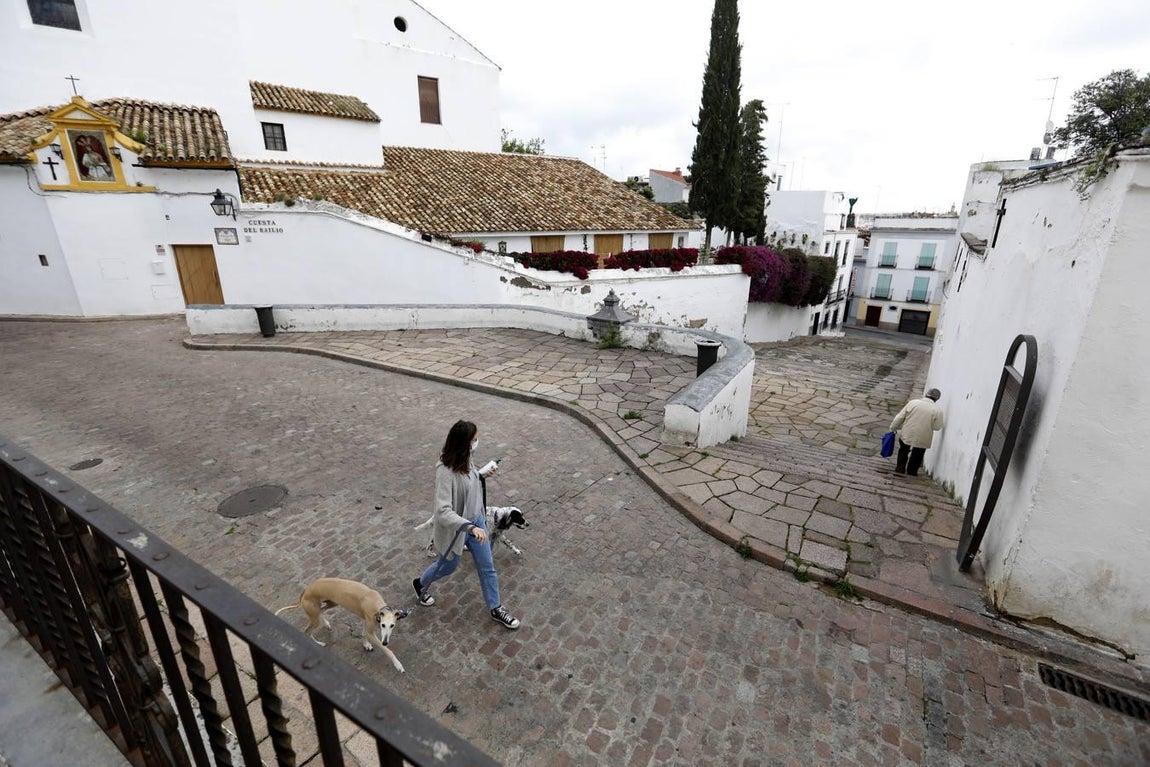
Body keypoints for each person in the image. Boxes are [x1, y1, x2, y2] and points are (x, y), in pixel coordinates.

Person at [412, 420, 520, 629]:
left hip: (476, 520)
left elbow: (469, 480)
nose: (477, 442)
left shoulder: (467, 458)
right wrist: (470, 527)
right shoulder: (445, 472)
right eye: (474, 440)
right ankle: (420, 584)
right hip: (459, 528)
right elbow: (443, 511)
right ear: (464, 444)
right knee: (448, 566)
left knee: (487, 567)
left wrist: (481, 475)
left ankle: (496, 608)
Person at [890, 388, 944, 477]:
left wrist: (893, 427)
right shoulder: (938, 410)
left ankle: (900, 468)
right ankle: (912, 471)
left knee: (903, 450)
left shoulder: (913, 403)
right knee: (918, 454)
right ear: (937, 399)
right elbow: (937, 427)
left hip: (908, 432)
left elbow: (900, 417)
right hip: (924, 436)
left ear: (926, 394)